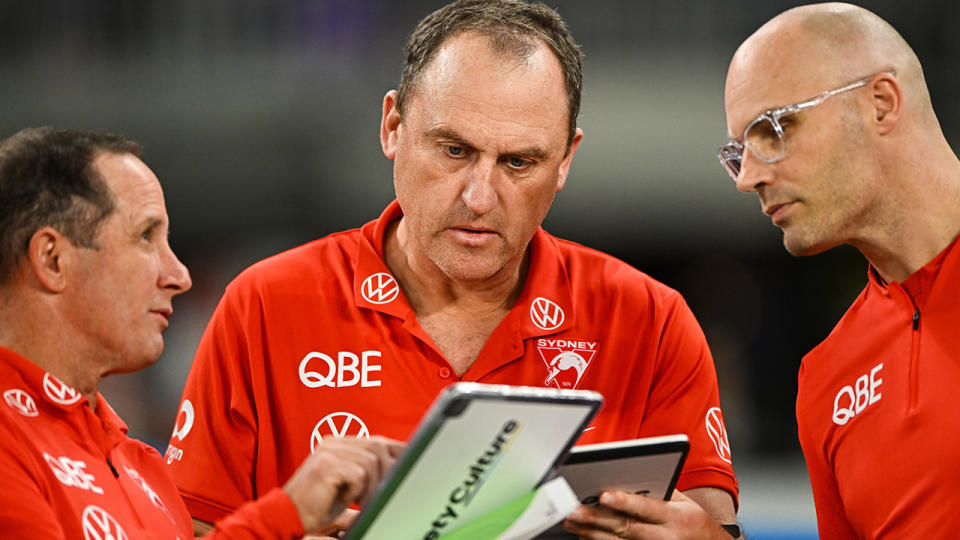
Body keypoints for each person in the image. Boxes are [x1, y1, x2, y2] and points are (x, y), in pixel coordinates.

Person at [169, 1, 740, 538]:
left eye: (519, 162)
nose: (480, 196)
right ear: (392, 126)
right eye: (454, 150)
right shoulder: (266, 306)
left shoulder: (650, 320)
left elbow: (713, 525)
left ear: (565, 160)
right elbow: (189, 525)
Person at [0, 126, 401, 539]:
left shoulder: (140, 464)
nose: (179, 275)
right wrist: (286, 515)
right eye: (145, 237)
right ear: (52, 259)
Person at [719, 3, 960, 538]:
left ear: (881, 103)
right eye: (739, 151)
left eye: (774, 127)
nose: (747, 177)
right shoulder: (827, 380)